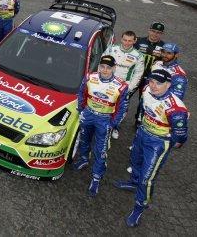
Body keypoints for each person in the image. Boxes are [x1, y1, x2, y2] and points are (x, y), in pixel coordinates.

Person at [114, 68, 189, 227]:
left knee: (147, 178)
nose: (154, 86)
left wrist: (166, 142)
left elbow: (181, 136)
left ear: (168, 85)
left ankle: (140, 206)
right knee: (135, 161)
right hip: (142, 133)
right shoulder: (147, 89)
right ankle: (133, 182)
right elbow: (144, 108)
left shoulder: (176, 108)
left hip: (158, 143)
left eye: (159, 83)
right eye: (152, 81)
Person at [73, 55, 129, 196]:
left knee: (101, 150)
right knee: (84, 139)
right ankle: (84, 159)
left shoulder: (121, 86)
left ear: (114, 68)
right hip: (88, 114)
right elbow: (81, 94)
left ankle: (96, 178)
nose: (105, 70)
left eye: (108, 67)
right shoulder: (89, 77)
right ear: (99, 67)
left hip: (104, 119)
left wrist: (113, 124)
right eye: (102, 67)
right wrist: (81, 110)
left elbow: (122, 108)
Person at [103, 30, 144, 139]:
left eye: (130, 41)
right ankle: (102, 124)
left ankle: (115, 127)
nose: (126, 43)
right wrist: (101, 79)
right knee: (105, 104)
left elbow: (138, 74)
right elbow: (102, 63)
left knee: (121, 108)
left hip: (124, 87)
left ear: (134, 41)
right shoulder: (112, 49)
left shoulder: (138, 56)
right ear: (121, 39)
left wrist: (129, 88)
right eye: (125, 40)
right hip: (108, 83)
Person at [133, 22, 165, 127]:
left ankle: (139, 121)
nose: (155, 34)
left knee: (144, 100)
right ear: (149, 30)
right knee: (125, 97)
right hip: (135, 76)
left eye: (158, 32)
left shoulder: (164, 47)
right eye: (153, 31)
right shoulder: (138, 41)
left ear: (162, 34)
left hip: (150, 80)